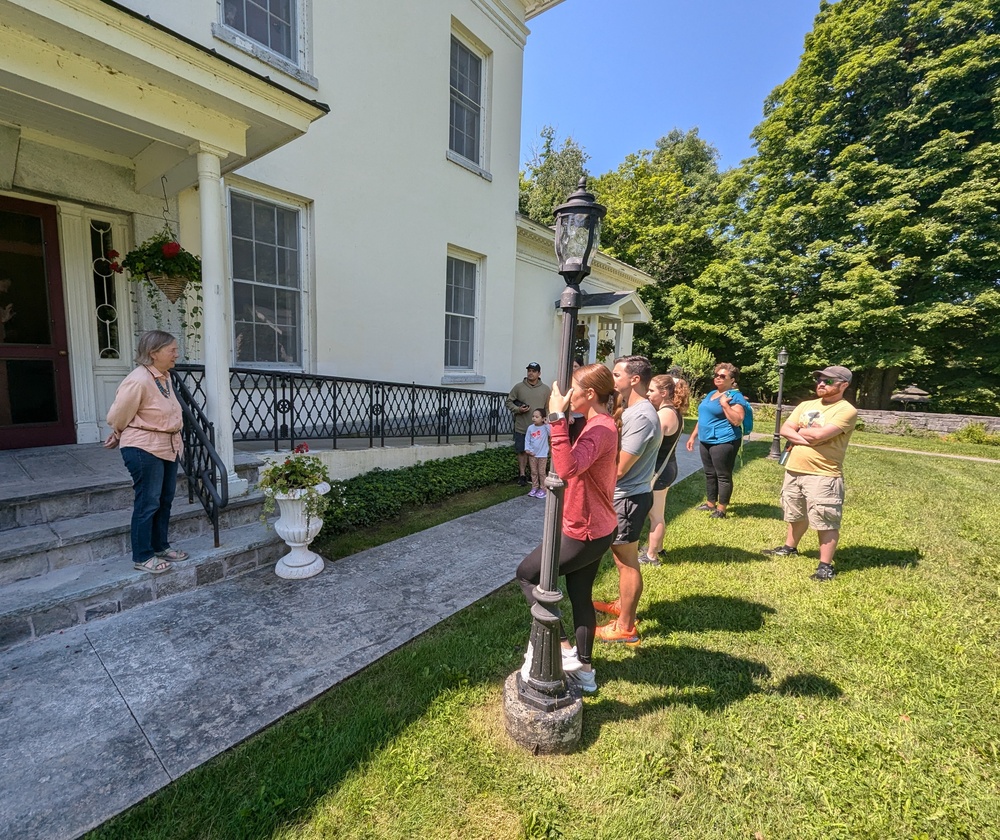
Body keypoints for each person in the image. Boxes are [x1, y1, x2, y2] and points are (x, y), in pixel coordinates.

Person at [516, 363, 620, 693]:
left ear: (590, 394)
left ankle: (561, 651)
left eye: (572, 389)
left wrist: (558, 419)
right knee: (579, 595)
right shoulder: (598, 423)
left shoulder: (600, 429)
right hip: (598, 528)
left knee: (527, 575)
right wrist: (566, 419)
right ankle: (585, 673)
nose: (564, 395)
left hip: (584, 531)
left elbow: (566, 467)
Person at [763, 365, 858, 581]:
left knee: (825, 518)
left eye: (828, 381)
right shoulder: (806, 405)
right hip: (794, 469)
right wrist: (808, 435)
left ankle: (825, 565)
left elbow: (820, 434)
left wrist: (801, 433)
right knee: (794, 512)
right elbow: (785, 429)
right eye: (819, 380)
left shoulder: (846, 410)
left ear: (844, 385)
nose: (821, 384)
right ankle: (790, 547)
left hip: (823, 474)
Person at [105, 330, 188, 574]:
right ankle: (142, 556)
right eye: (171, 349)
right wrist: (118, 432)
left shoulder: (164, 377)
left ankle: (160, 546)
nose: (176, 353)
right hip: (143, 446)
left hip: (168, 446)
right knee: (148, 502)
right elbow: (117, 415)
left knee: (164, 500)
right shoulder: (138, 379)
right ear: (153, 353)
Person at [594, 355, 661, 645]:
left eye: (617, 374)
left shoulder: (643, 415)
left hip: (628, 498)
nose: (612, 378)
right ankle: (624, 606)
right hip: (625, 496)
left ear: (635, 379)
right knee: (621, 559)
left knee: (627, 562)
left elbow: (620, 467)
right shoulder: (633, 410)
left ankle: (625, 626)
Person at [686, 362, 751, 519]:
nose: (718, 378)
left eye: (723, 376)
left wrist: (724, 405)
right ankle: (710, 503)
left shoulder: (734, 396)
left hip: (724, 440)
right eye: (716, 375)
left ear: (732, 380)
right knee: (709, 473)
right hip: (706, 439)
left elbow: (737, 420)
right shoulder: (711, 394)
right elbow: (703, 417)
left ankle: (721, 509)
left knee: (723, 475)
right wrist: (693, 436)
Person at [639, 375, 686, 565]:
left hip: (659, 470)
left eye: (651, 390)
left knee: (655, 516)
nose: (648, 394)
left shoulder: (663, 415)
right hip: (668, 467)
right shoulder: (674, 411)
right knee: (659, 513)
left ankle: (651, 556)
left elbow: (646, 443)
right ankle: (657, 547)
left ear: (664, 393)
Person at [506, 362, 551, 487]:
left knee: (538, 452)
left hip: (539, 429)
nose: (531, 373)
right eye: (529, 370)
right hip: (522, 425)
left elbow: (547, 407)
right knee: (522, 451)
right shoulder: (519, 387)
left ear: (539, 373)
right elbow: (509, 402)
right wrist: (518, 409)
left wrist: (547, 420)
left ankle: (537, 476)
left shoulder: (546, 389)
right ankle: (522, 475)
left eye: (534, 371)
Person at [524, 408, 550, 498]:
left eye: (537, 417)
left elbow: (551, 433)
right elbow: (527, 439)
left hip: (542, 455)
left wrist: (547, 424)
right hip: (533, 454)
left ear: (543, 418)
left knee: (541, 472)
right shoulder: (530, 428)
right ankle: (534, 487)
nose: (534, 418)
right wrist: (527, 449)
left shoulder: (545, 427)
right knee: (534, 472)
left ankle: (544, 489)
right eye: (533, 416)